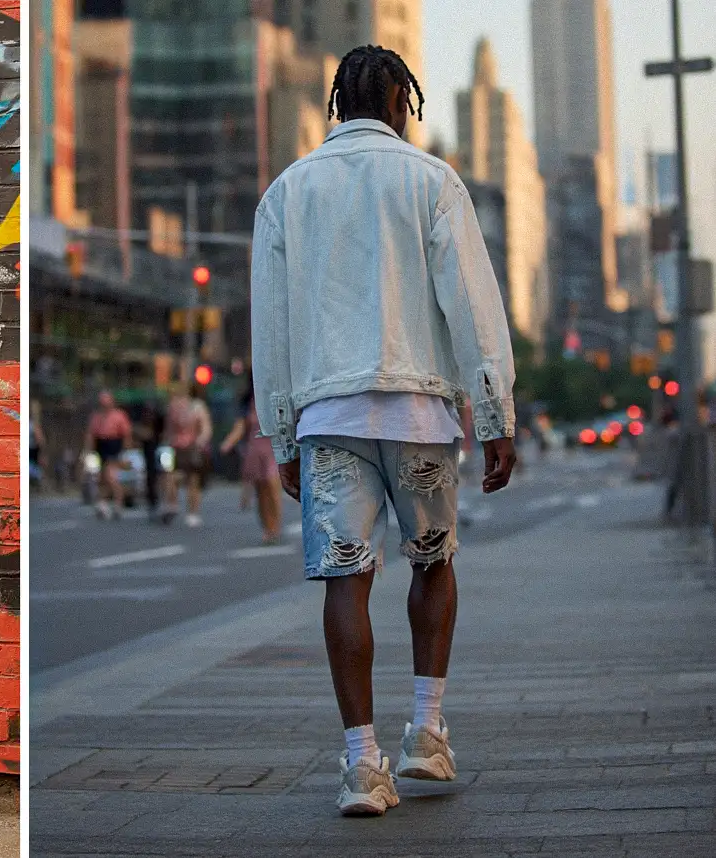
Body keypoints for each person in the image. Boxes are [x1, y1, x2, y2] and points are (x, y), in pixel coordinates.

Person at [249, 45, 517, 817]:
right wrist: (494, 412)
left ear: (337, 105)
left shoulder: (286, 192)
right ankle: (426, 733)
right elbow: (471, 303)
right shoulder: (432, 181)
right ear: (404, 101)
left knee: (347, 578)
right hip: (420, 414)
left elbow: (271, 326)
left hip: (329, 418)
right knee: (432, 564)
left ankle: (362, 765)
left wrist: (281, 432)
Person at [220, 385, 282, 543]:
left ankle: (275, 526)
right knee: (261, 490)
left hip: (273, 449)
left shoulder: (279, 396)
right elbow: (240, 427)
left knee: (272, 485)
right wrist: (228, 443)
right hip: (255, 449)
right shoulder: (248, 404)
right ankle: (267, 528)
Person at [164, 383, 213, 527]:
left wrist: (200, 441)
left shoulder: (196, 407)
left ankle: (192, 512)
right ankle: (174, 504)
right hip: (177, 447)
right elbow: (169, 428)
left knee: (192, 480)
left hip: (192, 447)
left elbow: (205, 427)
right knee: (173, 476)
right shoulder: (174, 407)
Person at [84, 390, 132, 519]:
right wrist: (88, 450)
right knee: (100, 477)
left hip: (113, 445)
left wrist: (126, 451)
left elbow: (126, 434)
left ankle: (118, 502)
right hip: (101, 445)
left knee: (110, 475)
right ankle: (103, 502)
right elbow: (91, 434)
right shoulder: (96, 416)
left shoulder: (119, 415)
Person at [134, 400, 165, 520]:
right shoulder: (141, 424)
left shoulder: (161, 423)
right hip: (149, 453)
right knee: (150, 477)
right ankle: (153, 502)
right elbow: (138, 434)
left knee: (165, 475)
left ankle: (166, 500)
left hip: (162, 450)